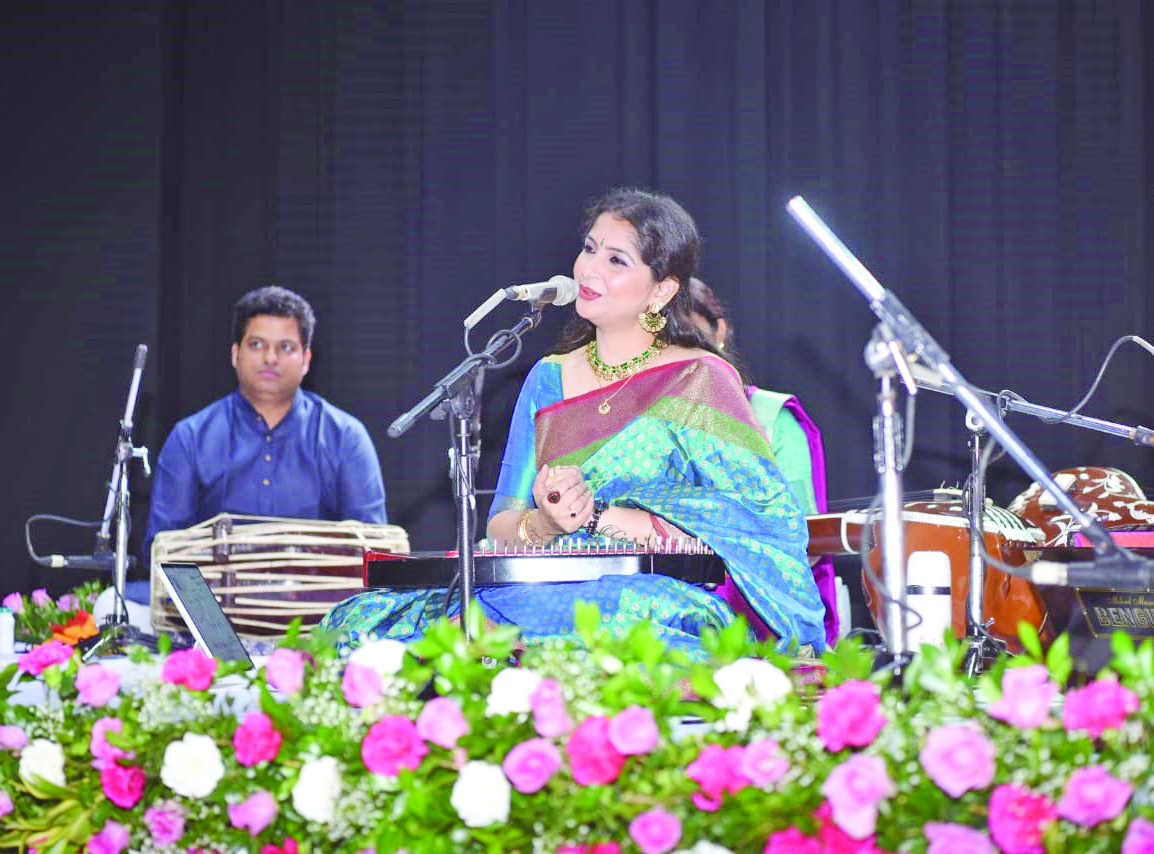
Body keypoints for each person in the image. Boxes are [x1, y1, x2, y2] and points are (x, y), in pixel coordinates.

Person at [322, 188, 826, 656]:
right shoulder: (547, 378)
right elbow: (501, 525)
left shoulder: (700, 377)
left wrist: (628, 520)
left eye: (616, 260)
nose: (589, 269)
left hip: (646, 591)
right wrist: (543, 522)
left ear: (661, 290)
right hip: (539, 578)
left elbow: (765, 521)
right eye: (589, 249)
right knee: (359, 620)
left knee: (565, 621)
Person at [143, 286, 388, 559]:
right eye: (257, 344)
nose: (271, 358)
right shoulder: (190, 438)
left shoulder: (345, 437)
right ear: (235, 354)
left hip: (320, 600)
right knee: (110, 601)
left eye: (286, 347)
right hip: (212, 597)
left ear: (306, 360)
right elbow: (163, 547)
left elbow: (374, 546)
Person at [687, 276, 838, 646]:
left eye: (691, 336)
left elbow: (809, 541)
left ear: (720, 331)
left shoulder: (770, 419)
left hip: (758, 617)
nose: (681, 354)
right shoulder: (637, 421)